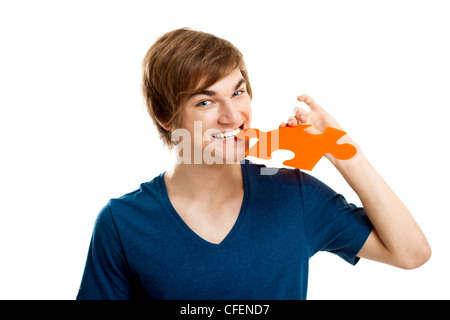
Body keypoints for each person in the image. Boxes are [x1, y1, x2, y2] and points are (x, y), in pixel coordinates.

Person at [76, 28, 431, 300]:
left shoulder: (296, 195)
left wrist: (340, 149)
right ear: (164, 116)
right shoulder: (122, 224)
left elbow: (410, 253)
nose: (233, 116)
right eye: (205, 102)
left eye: (237, 91)